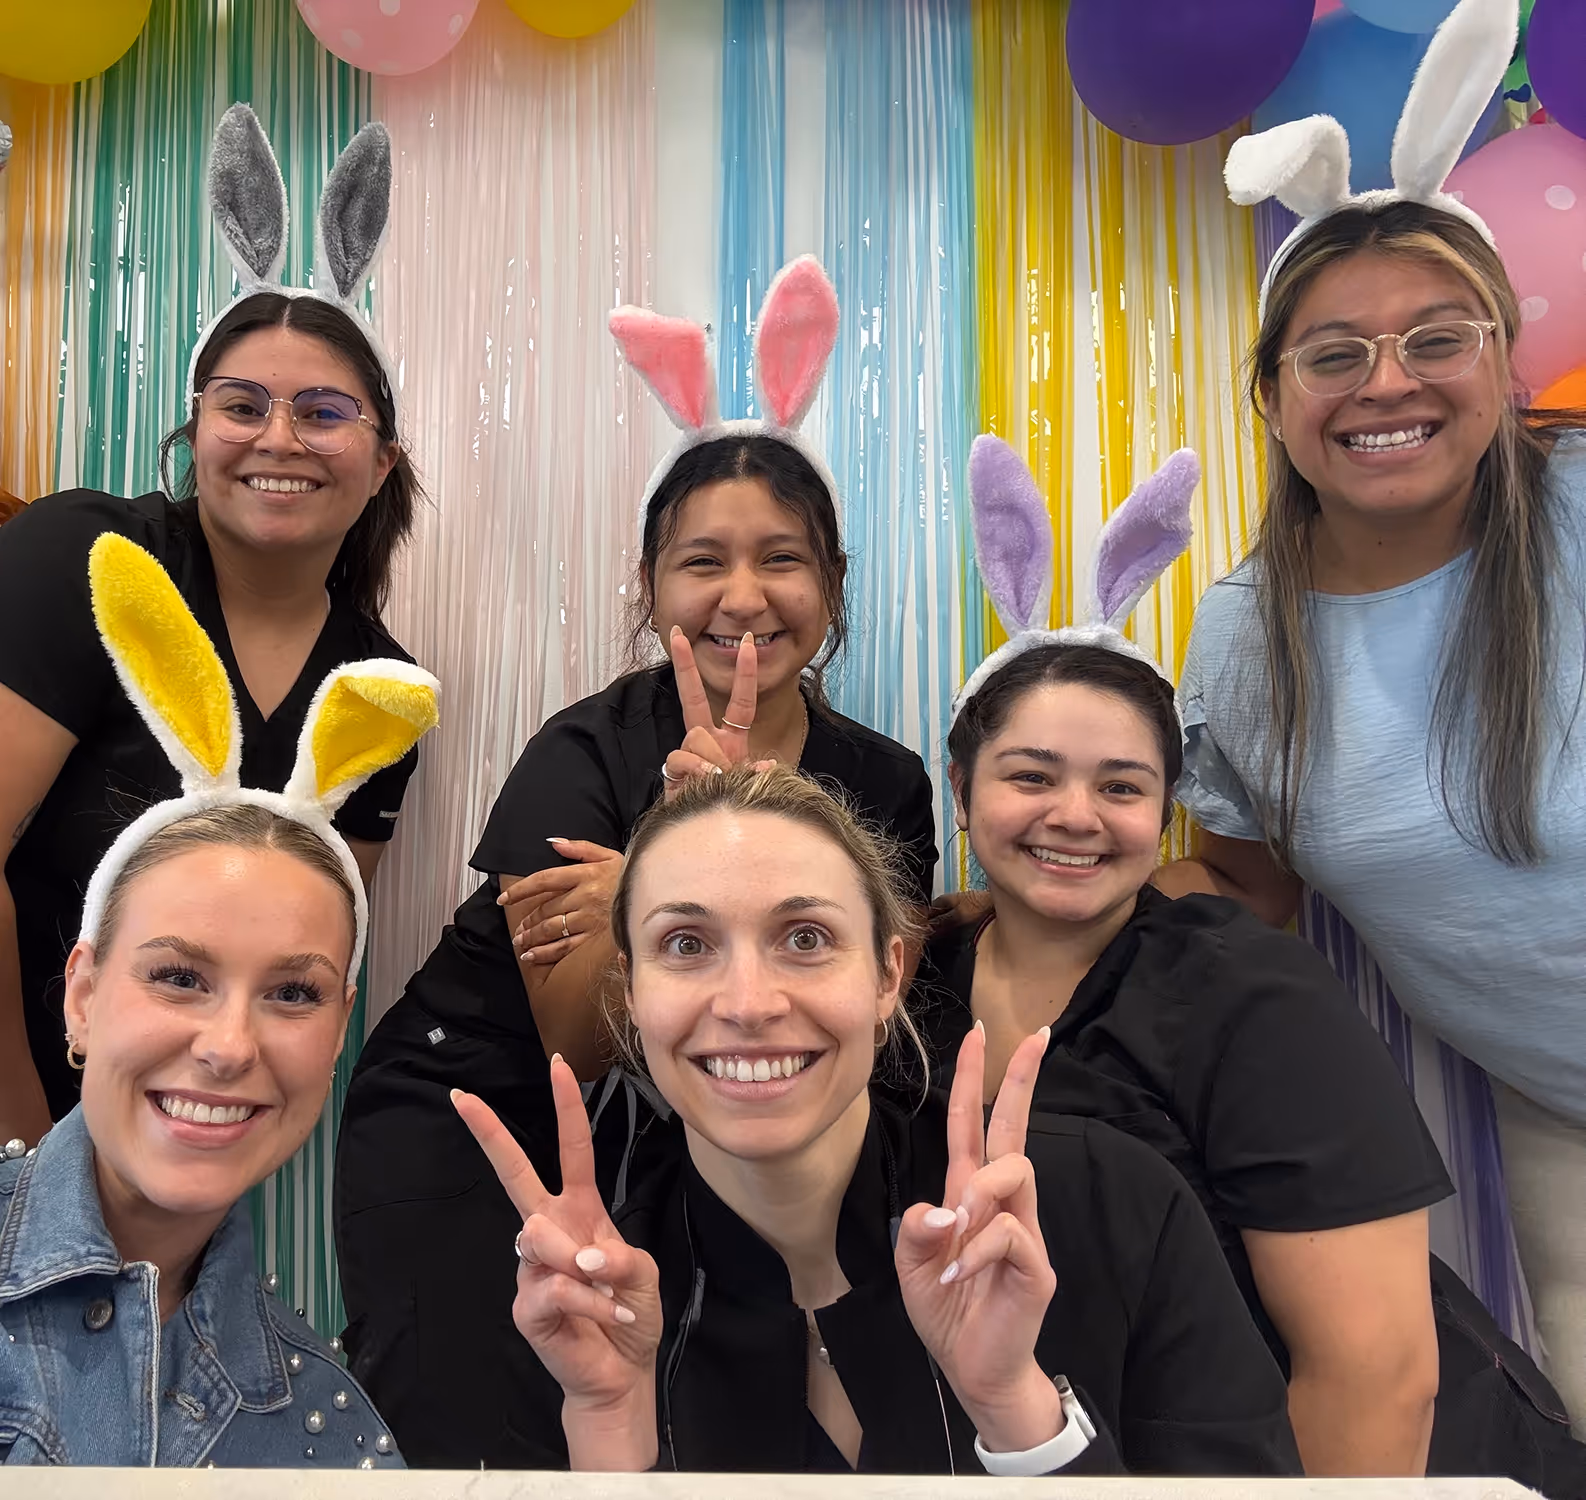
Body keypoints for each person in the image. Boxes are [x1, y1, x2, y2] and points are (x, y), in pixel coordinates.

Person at [334, 260, 937, 1465]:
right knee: (486, 1437)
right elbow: (574, 1037)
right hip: (477, 1109)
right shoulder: (585, 751)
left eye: (782, 558)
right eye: (701, 560)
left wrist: (643, 901)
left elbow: (873, 1015)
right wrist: (692, 871)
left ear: (829, 588)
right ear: (652, 585)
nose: (742, 595)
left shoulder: (885, 783)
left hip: (712, 1132)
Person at [1157, 0, 1586, 1435]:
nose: (1384, 382)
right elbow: (1246, 886)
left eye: (1432, 339)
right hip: (1562, 1118)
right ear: (1274, 403)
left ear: (1503, 358)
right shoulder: (1243, 640)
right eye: (1332, 353)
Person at [446, 763, 1298, 1475]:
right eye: (686, 945)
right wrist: (610, 1431)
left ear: (889, 973)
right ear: (632, 993)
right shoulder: (577, 1308)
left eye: (807, 938)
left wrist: (1018, 1412)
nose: (748, 1004)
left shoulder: (1110, 1203)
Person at [918, 635, 1586, 1495]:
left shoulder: (1250, 995)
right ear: (962, 789)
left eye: (1121, 785)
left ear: (1162, 816)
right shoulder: (916, 978)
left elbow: (1376, 1376)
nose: (1076, 815)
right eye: (1032, 776)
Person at [0, 105, 420, 1152]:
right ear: (195, 434)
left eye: (323, 412)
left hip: (187, 1143)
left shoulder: (377, 691)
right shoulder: (90, 565)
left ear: (381, 463)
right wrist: (28, 1159)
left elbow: (307, 955)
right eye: (242, 406)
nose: (279, 437)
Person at [0, 526, 438, 1465]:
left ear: (336, 1038)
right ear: (82, 994)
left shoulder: (334, 1439)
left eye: (292, 992)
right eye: (178, 976)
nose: (230, 1045)